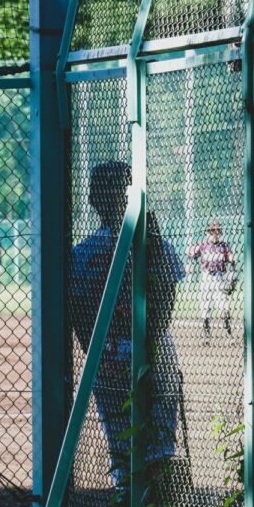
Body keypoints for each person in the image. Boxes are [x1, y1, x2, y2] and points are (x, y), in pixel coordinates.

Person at [69, 161, 186, 489]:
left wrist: (98, 353)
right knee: (160, 446)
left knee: (121, 448)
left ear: (93, 199)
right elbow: (167, 301)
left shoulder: (82, 254)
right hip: (154, 349)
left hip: (105, 354)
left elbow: (79, 317)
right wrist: (150, 341)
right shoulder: (152, 246)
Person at [187, 221, 236, 342]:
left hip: (220, 278)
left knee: (224, 307)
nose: (215, 234)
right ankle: (207, 336)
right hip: (206, 278)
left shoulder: (224, 246)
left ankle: (229, 336)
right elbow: (190, 254)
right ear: (208, 232)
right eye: (212, 231)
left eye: (217, 231)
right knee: (205, 307)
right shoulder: (203, 245)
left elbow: (231, 258)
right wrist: (189, 262)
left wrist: (232, 268)